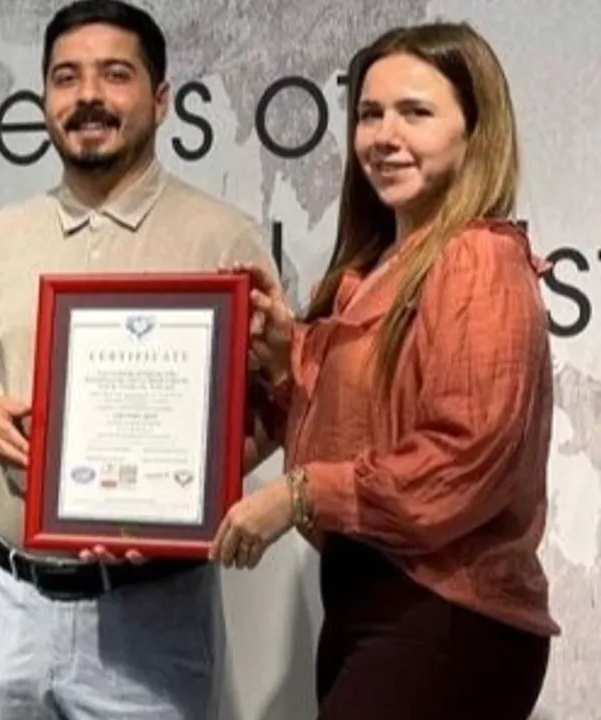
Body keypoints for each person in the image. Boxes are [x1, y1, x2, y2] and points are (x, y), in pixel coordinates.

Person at [209, 21, 559, 720]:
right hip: (377, 604)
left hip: (444, 612)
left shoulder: (476, 259)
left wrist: (298, 494)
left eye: (415, 112)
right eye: (370, 114)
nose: (383, 136)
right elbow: (364, 426)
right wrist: (286, 361)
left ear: (475, 131)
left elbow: (461, 458)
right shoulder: (375, 270)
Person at [0, 1, 278, 717]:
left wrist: (183, 500)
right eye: (66, 78)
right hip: (11, 602)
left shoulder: (223, 240)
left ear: (160, 100)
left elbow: (276, 403)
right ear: (44, 99)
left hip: (151, 612)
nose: (88, 97)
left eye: (115, 75)